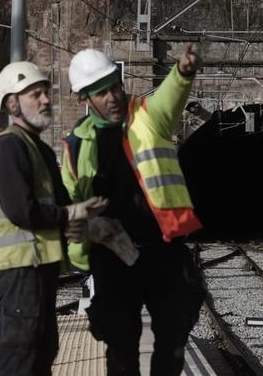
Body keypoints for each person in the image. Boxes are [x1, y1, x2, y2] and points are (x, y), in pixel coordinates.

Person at [60, 45, 204, 376]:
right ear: (85, 98)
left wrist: (182, 73)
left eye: (115, 87)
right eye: (102, 93)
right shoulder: (76, 146)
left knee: (173, 338)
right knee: (121, 346)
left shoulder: (148, 116)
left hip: (163, 250)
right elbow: (70, 206)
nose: (112, 97)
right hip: (113, 257)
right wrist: (84, 251)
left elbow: (169, 97)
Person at [0, 61, 108, 376]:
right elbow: (22, 212)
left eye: (46, 93)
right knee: (20, 351)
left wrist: (85, 223)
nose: (45, 100)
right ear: (12, 103)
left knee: (42, 349)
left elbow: (62, 204)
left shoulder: (38, 150)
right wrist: (71, 214)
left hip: (39, 266)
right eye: (35, 94)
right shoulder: (7, 149)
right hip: (19, 268)